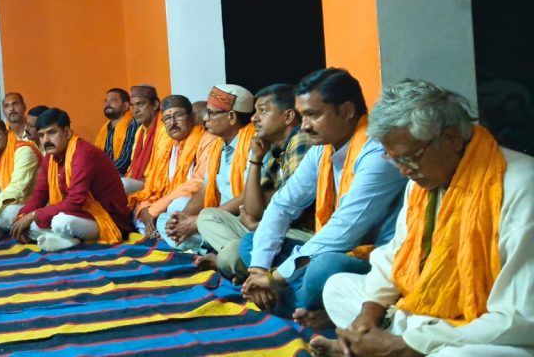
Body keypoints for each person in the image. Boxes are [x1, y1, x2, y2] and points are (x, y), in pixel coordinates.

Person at [312, 80, 534, 357]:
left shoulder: (521, 185)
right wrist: (367, 316)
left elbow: (521, 315)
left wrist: (404, 345)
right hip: (426, 315)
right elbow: (397, 253)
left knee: (456, 356)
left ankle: (395, 347)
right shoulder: (421, 182)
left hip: (495, 330)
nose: (403, 171)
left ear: (451, 138)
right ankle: (379, 343)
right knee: (337, 288)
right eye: (394, 159)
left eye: (409, 158)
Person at [240, 68, 406, 327]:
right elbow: (283, 204)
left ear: (347, 111)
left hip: (374, 258)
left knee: (323, 267)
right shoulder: (324, 148)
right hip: (333, 246)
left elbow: (345, 230)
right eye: (303, 115)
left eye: (313, 115)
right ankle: (310, 305)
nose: (304, 125)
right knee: (250, 244)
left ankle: (295, 303)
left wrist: (276, 278)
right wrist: (259, 269)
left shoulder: (377, 152)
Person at [196, 84, 312, 279]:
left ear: (288, 116)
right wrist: (256, 160)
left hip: (298, 232)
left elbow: (292, 211)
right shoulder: (274, 150)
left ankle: (235, 263)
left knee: (230, 254)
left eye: (263, 111)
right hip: (270, 227)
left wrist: (257, 227)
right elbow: (254, 210)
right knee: (207, 217)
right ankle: (242, 261)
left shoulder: (301, 140)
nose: (254, 118)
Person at [11, 108, 134, 251]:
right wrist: (21, 217)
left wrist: (34, 215)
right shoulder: (50, 158)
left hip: (107, 219)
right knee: (28, 225)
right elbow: (40, 194)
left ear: (67, 132)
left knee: (60, 222)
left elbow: (76, 200)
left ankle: (66, 239)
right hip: (76, 215)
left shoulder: (83, 153)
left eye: (51, 132)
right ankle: (69, 241)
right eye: (41, 135)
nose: (46, 140)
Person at [160, 85, 256, 252]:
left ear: (231, 117)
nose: (204, 118)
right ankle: (213, 245)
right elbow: (204, 189)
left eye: (211, 113)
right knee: (165, 220)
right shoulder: (217, 146)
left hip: (240, 221)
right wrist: (185, 217)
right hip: (215, 220)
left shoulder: (254, 145)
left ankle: (217, 247)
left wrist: (197, 221)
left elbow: (247, 197)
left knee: (205, 219)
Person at [130, 95, 213, 239]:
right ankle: (159, 228)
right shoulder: (167, 146)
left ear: (192, 117)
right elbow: (152, 184)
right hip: (165, 202)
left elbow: (197, 184)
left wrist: (155, 210)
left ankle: (161, 228)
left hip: (192, 201)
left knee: (179, 206)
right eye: (167, 118)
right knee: (136, 209)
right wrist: (145, 209)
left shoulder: (207, 140)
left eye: (178, 115)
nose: (172, 122)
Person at [121, 84, 170, 194]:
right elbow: (133, 164)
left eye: (140, 104)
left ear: (155, 104)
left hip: (155, 182)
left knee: (124, 185)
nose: (135, 110)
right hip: (139, 180)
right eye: (132, 106)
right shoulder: (140, 131)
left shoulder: (165, 127)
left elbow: (162, 165)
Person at [94, 88, 139, 175]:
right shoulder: (105, 129)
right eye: (106, 101)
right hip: (106, 173)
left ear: (125, 105)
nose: (108, 103)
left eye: (113, 100)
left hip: (126, 174)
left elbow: (125, 161)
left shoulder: (133, 124)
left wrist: (100, 174)